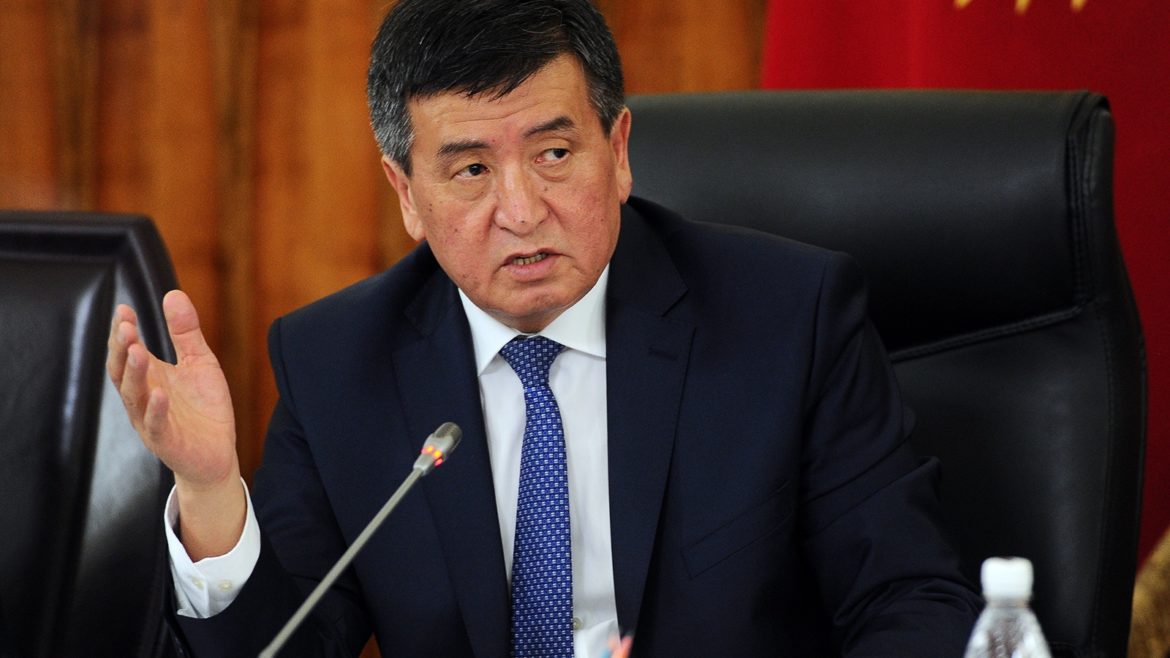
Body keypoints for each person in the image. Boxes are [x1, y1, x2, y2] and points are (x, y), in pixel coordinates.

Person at [107, 0, 981, 655]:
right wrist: (212, 493)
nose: (521, 211)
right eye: (471, 171)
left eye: (554, 154)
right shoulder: (339, 365)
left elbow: (912, 603)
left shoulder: (788, 320)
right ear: (406, 195)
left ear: (619, 151)